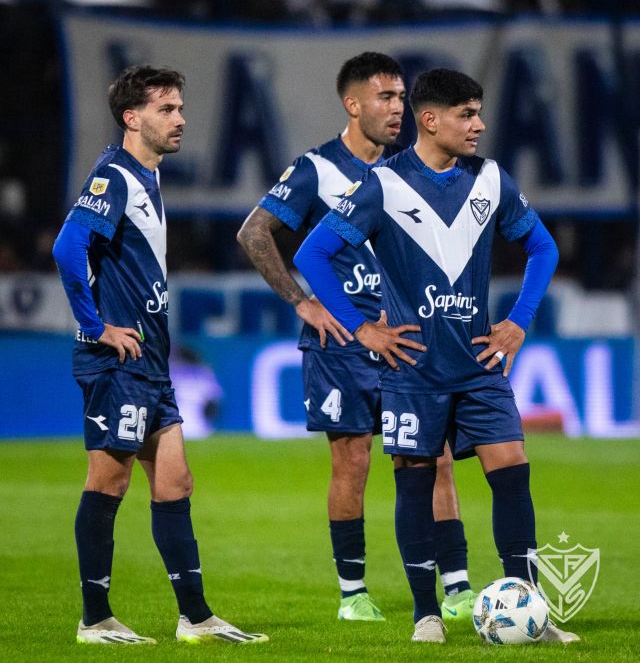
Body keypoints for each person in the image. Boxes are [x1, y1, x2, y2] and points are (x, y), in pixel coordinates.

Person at [293, 67, 581, 644]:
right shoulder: (382, 185)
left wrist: (518, 322)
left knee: (513, 474)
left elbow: (543, 247)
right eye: (466, 114)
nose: (479, 125)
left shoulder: (490, 179)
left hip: (479, 366)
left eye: (478, 113)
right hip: (413, 370)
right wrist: (362, 328)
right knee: (415, 485)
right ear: (430, 120)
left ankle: (530, 611)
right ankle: (426, 614)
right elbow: (312, 253)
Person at [237, 53, 476, 623]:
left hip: (407, 340)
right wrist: (301, 300)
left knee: (435, 458)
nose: (398, 109)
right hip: (343, 345)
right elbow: (254, 232)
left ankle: (457, 588)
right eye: (385, 98)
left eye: (400, 98)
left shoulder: (408, 171)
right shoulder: (316, 169)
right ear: (353, 104)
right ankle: (353, 595)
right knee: (353, 462)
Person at [52, 65, 267, 646]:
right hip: (117, 362)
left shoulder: (146, 175)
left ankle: (195, 619)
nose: (181, 119)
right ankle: (94, 619)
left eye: (180, 108)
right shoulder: (115, 176)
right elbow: (68, 247)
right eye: (166, 109)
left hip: (149, 362)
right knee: (109, 481)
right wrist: (95, 326)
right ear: (132, 117)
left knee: (175, 481)